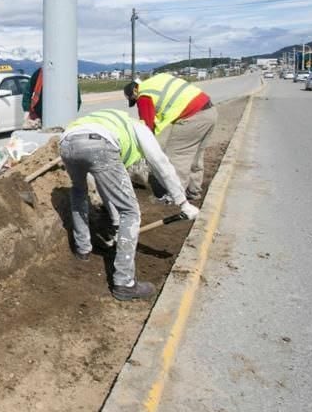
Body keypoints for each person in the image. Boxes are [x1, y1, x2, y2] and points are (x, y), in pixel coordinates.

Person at [59, 108, 199, 301]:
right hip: (99, 144)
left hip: (67, 142)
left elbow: (105, 184)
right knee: (131, 213)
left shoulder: (112, 121)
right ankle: (124, 284)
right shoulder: (139, 128)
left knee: (79, 191)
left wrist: (116, 223)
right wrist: (183, 202)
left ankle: (83, 249)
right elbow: (161, 163)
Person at [124, 74, 216, 202]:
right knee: (196, 156)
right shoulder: (155, 82)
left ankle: (175, 197)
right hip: (209, 111)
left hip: (191, 116)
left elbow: (147, 127)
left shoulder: (143, 96)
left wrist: (144, 149)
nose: (136, 101)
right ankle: (193, 191)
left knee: (177, 156)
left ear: (135, 90)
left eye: (134, 99)